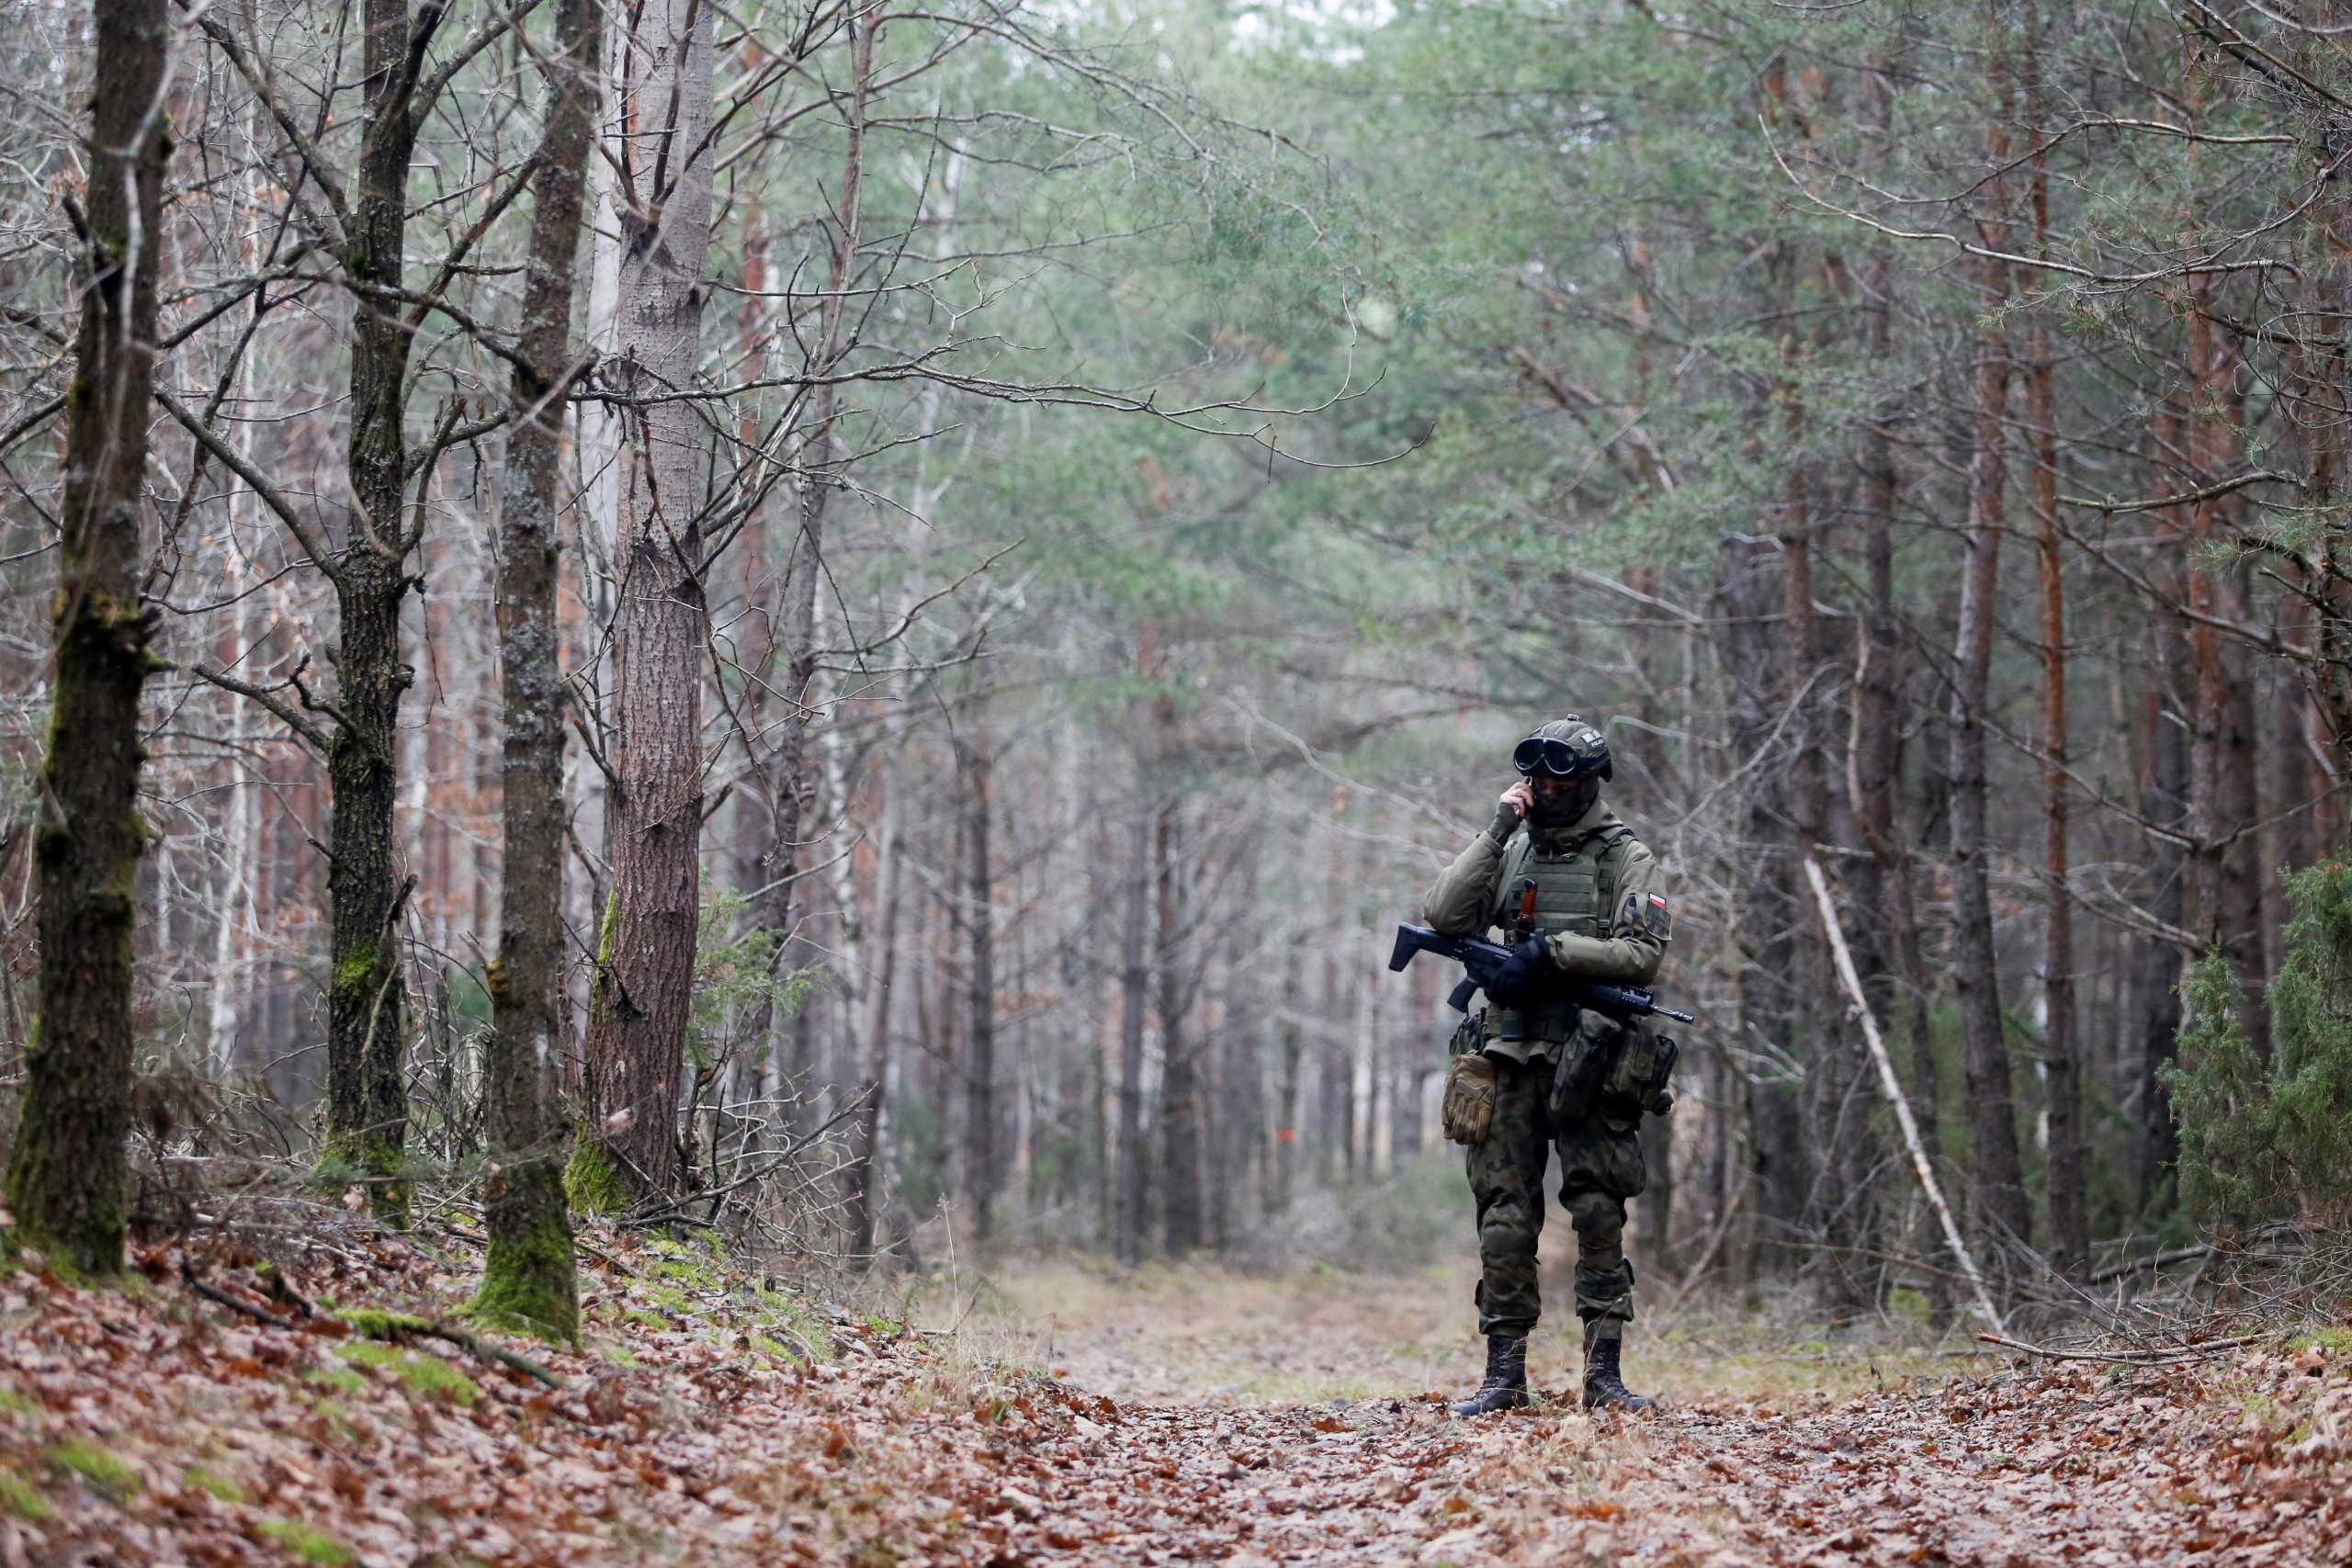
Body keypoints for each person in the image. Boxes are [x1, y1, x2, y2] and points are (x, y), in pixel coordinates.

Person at [1421, 716, 1673, 1415]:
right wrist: (1500, 827)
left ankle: (1604, 1376)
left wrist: (1555, 953)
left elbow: (1641, 954)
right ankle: (1504, 1375)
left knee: (1597, 1209)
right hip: (1509, 1052)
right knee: (1503, 1215)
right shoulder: (1512, 846)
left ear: (1589, 781)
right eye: (1536, 777)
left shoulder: (1626, 856)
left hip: (1592, 1055)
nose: (1547, 788)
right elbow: (1443, 913)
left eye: (1560, 777)